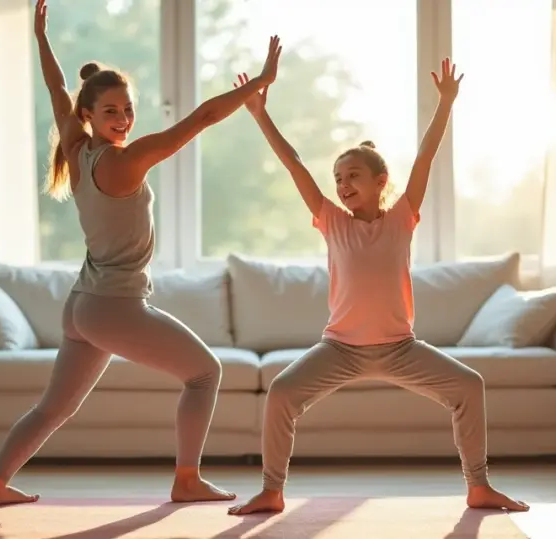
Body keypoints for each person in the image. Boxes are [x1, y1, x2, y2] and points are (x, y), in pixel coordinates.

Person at [0, 0, 282, 509]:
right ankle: (186, 478)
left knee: (53, 408)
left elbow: (55, 89)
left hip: (83, 305)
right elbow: (202, 117)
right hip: (113, 306)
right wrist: (261, 79)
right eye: (111, 111)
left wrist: (41, 39)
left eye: (127, 109)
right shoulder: (126, 161)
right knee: (206, 373)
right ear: (88, 115)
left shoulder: (76, 149)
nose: (123, 118)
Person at [226, 58, 530, 515]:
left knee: (469, 387)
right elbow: (293, 164)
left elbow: (425, 156)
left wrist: (445, 104)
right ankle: (272, 490)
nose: (342, 185)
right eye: (338, 179)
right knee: (283, 394)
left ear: (379, 182)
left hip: (400, 349)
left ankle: (479, 486)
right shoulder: (331, 221)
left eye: (353, 176)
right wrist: (260, 114)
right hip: (341, 348)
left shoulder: (402, 217)